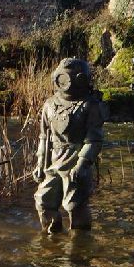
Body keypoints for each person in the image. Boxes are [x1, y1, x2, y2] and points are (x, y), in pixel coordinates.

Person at [33, 58, 106, 233]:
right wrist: (40, 163)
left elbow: (94, 140)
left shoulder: (90, 105)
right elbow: (44, 136)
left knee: (74, 203)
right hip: (53, 160)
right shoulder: (50, 104)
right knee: (43, 200)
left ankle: (80, 241)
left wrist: (82, 164)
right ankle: (52, 236)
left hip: (76, 159)